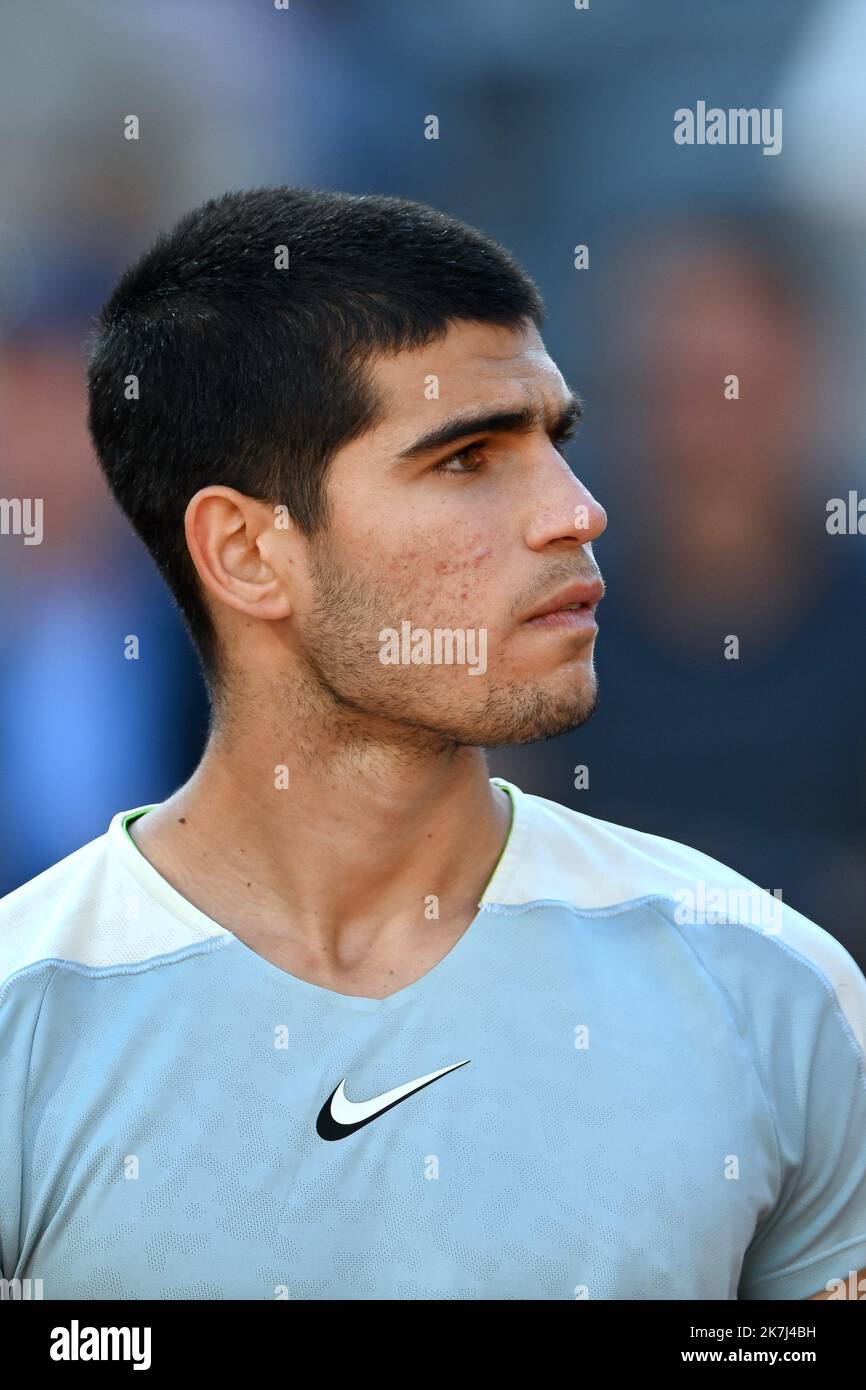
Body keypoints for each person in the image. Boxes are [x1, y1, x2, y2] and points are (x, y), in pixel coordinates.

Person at [1, 187, 863, 1301]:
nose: (577, 511)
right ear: (248, 554)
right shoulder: (26, 1020)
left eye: (555, 440)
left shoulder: (773, 989)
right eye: (466, 459)